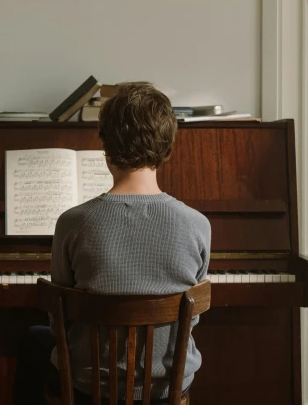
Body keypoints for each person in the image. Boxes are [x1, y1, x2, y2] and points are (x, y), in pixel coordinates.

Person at [14, 82, 211, 404]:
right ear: (168, 145)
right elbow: (192, 319)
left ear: (104, 144)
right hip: (166, 388)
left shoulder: (72, 222)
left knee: (34, 339)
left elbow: (59, 318)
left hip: (91, 387)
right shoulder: (197, 224)